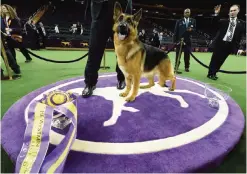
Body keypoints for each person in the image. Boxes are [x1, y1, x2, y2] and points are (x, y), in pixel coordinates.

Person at [82, 0, 129, 98]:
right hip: (101, 12)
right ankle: (90, 83)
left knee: (122, 51)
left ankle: (121, 78)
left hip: (121, 14)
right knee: (94, 50)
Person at [207, 4, 245, 80]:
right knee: (214, 59)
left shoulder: (242, 23)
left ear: (238, 11)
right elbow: (214, 24)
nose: (232, 12)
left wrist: (238, 47)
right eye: (231, 11)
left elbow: (240, 36)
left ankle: (214, 73)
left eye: (234, 10)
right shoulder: (223, 21)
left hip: (230, 45)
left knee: (221, 60)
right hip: (220, 44)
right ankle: (210, 73)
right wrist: (216, 14)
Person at [173, 8, 196, 73]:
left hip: (188, 41)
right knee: (178, 55)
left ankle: (186, 67)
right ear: (183, 13)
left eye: (188, 12)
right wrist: (175, 41)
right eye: (186, 12)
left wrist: (192, 30)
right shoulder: (179, 21)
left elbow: (194, 31)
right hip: (179, 41)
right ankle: (176, 66)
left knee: (187, 55)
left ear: (190, 13)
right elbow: (175, 32)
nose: (187, 13)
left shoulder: (193, 21)